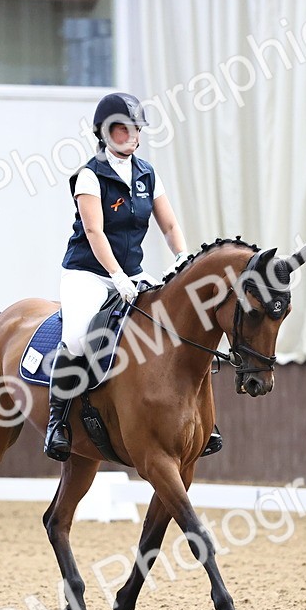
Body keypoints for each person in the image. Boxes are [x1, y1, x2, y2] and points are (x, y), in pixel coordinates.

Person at [44, 92, 222, 461]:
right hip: (89, 273)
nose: (131, 135)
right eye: (122, 129)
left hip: (133, 272)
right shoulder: (90, 176)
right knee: (76, 339)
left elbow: (169, 224)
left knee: (176, 324)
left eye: (135, 129)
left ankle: (201, 419)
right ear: (104, 132)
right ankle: (57, 423)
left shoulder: (147, 173)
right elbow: (94, 232)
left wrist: (182, 257)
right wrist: (116, 275)